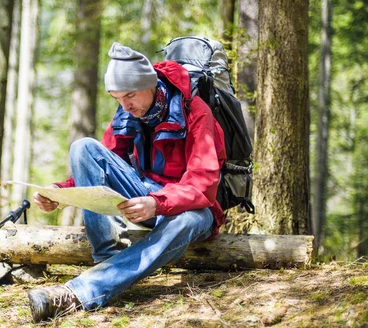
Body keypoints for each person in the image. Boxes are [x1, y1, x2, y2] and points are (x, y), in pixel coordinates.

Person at [27, 42, 226, 322]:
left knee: (188, 220)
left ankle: (79, 292)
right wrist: (60, 193)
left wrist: (157, 203)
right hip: (145, 197)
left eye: (130, 95)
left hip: (191, 208)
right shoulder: (128, 111)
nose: (125, 105)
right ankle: (107, 259)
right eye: (117, 98)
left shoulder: (196, 112)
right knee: (83, 147)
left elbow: (203, 185)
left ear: (151, 84)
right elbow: (101, 163)